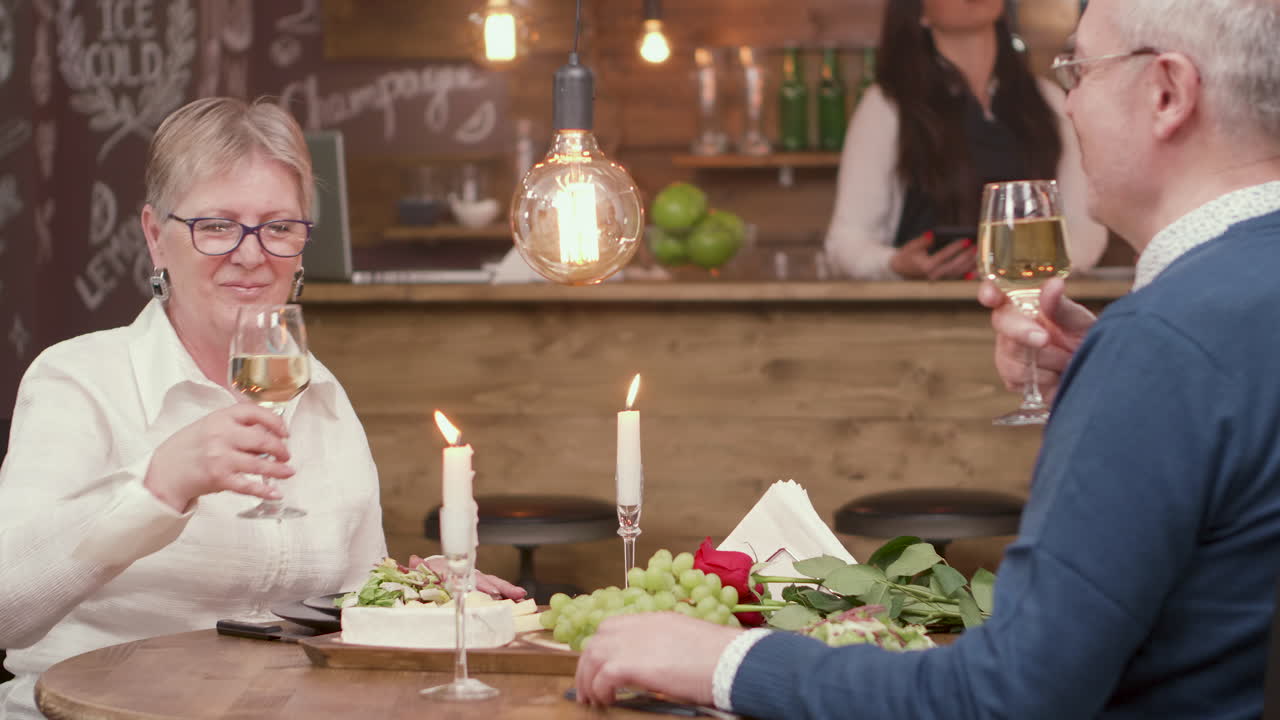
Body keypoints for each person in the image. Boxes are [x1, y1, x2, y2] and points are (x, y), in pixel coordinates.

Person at [575, 1, 1280, 717]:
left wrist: (724, 660)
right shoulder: (1202, 328)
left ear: (1167, 92)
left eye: (1080, 70)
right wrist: (1108, 379)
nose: (1069, 102)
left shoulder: (1163, 346)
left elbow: (1002, 698)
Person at [0, 97, 522, 719]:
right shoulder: (78, 379)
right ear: (154, 236)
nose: (251, 254)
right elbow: (9, 608)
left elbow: (341, 608)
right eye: (217, 225)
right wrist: (157, 488)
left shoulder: (323, 395)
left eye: (278, 227)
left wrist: (407, 597)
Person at [824, 0, 1107, 281]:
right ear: (918, 10)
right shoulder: (887, 106)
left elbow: (1086, 226)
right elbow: (846, 242)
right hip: (923, 314)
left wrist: (1045, 267)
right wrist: (894, 264)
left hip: (1031, 305)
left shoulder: (1049, 100)